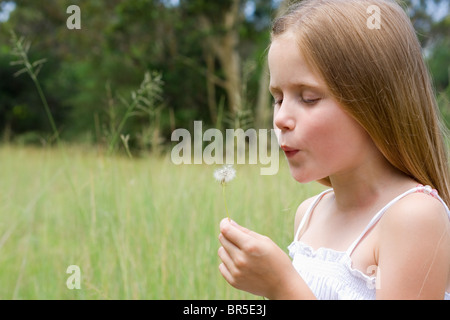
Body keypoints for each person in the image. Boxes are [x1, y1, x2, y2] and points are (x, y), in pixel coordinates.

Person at [217, 0, 450, 300]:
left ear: (374, 104)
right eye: (278, 98)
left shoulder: (415, 217)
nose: (281, 119)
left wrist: (281, 287)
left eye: (309, 97)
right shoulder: (309, 214)